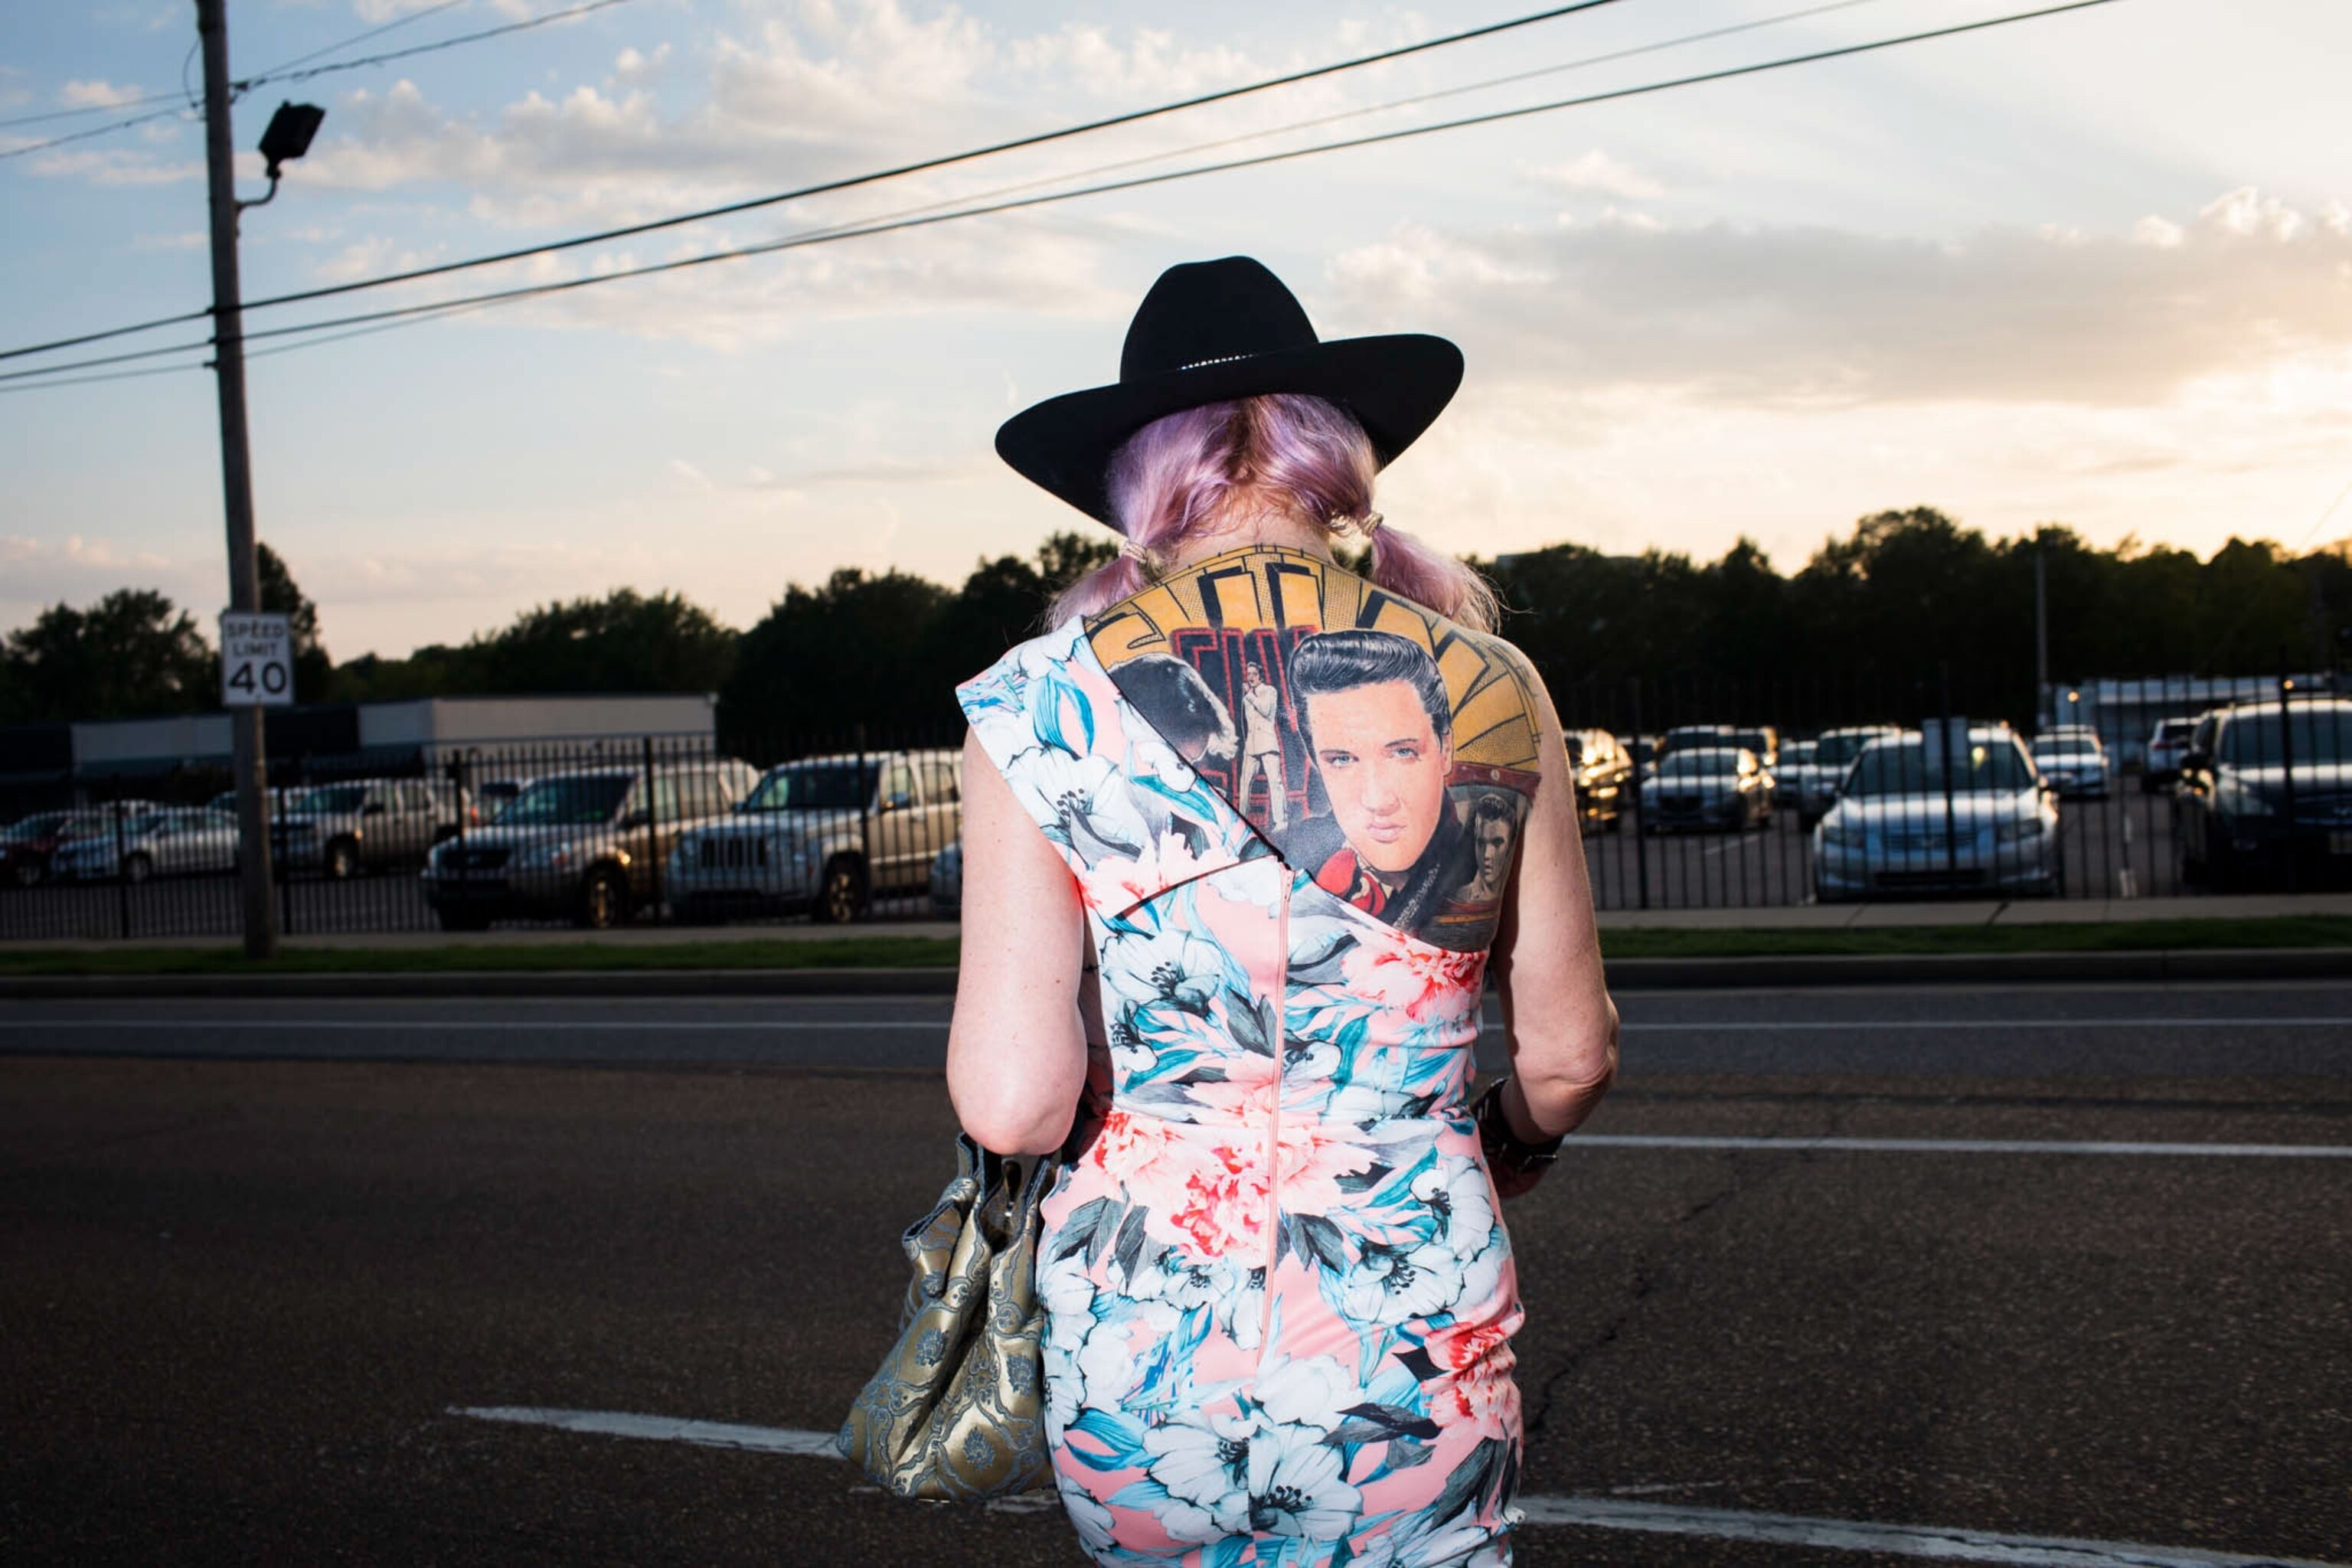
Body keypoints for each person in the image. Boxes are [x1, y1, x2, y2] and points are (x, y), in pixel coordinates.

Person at [947, 256, 1619, 1567]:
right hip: (1409, 1334)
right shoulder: (1490, 683)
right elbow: (1569, 1056)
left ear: (1137, 481)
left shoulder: (1035, 703)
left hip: (1143, 1346)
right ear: (1331, 455)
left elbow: (1013, 1105)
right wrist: (1503, 1145)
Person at [1236, 661, 1290, 829]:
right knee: (1244, 782)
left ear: (1261, 676)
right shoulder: (1247, 697)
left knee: (1275, 782)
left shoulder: (1269, 691)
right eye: (1249, 674)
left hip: (1267, 743)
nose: (1251, 677)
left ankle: (1281, 821)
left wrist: (1250, 695)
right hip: (1251, 745)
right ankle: (1240, 818)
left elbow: (1266, 709)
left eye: (1254, 674)